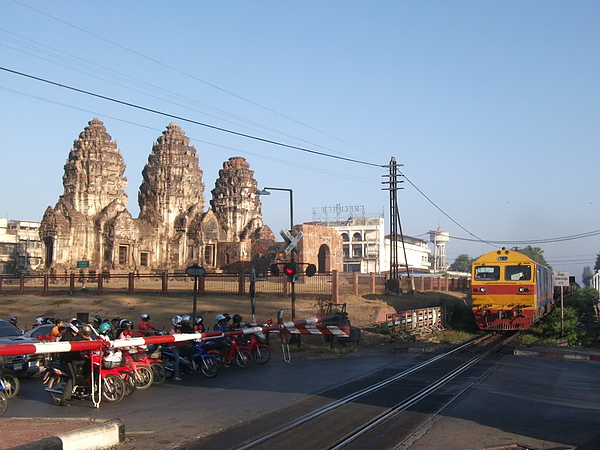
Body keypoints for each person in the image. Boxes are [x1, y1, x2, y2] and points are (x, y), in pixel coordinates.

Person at [57, 322, 85, 406]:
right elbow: (66, 350)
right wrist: (78, 353)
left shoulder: (79, 336)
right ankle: (64, 399)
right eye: (79, 328)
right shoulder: (67, 336)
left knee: (86, 363)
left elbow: (84, 343)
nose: (81, 329)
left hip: (76, 358)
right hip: (67, 360)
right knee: (72, 377)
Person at [168, 315, 183, 381]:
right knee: (177, 359)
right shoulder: (172, 330)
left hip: (179, 345)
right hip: (173, 347)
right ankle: (176, 375)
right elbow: (174, 337)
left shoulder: (179, 329)